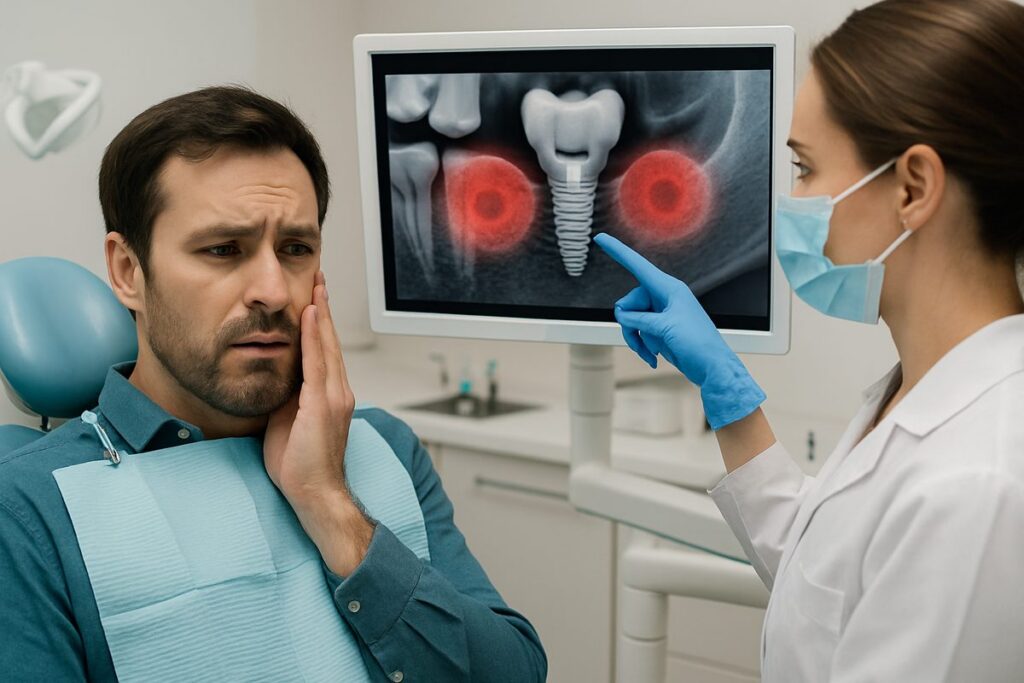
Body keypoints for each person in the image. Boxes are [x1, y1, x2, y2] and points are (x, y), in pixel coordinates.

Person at [0, 86, 546, 682]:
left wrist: (332, 506)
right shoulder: (29, 511)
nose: (274, 290)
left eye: (294, 249)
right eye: (223, 249)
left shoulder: (383, 447)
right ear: (129, 271)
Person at [596, 0, 1024, 679]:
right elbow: (826, 572)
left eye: (804, 168)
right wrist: (727, 393)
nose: (790, 200)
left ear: (913, 185)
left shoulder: (976, 487)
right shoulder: (922, 390)